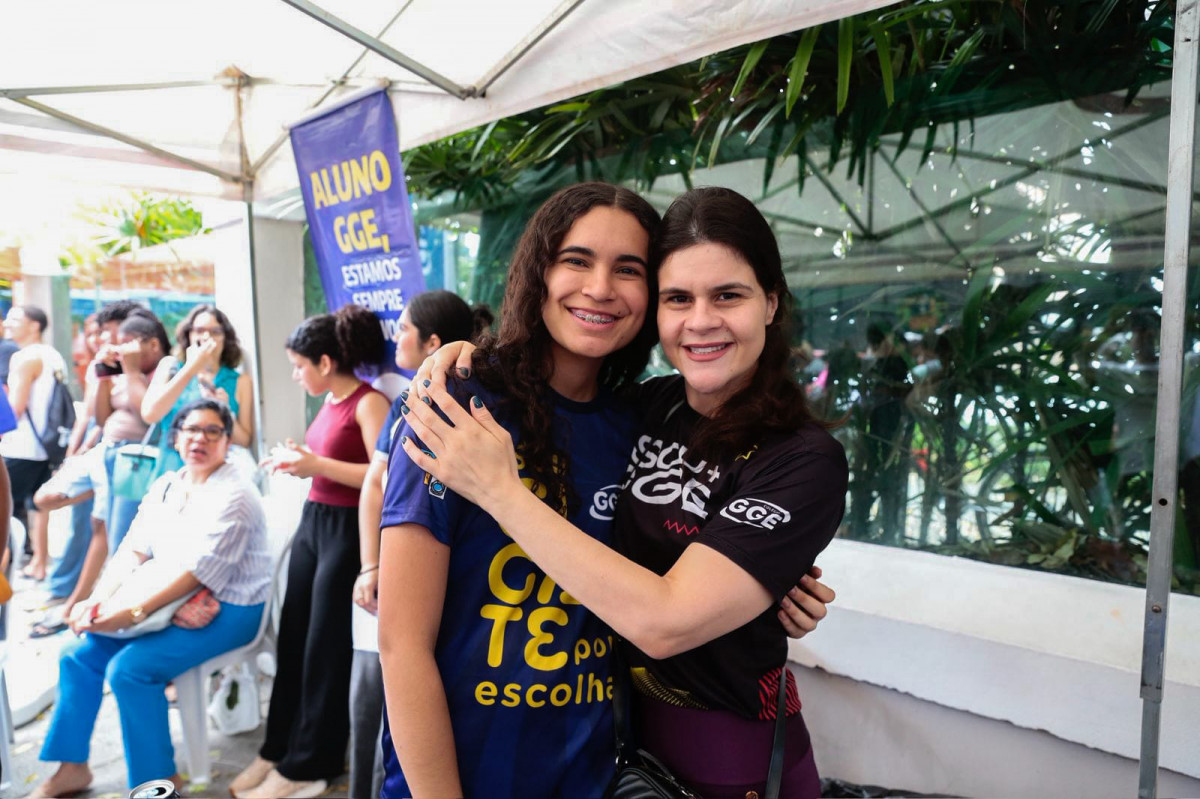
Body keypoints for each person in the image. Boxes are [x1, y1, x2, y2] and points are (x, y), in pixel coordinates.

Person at [399, 186, 847, 797]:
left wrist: (502, 491)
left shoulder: (803, 457)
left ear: (770, 302)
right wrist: (467, 356)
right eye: (678, 298)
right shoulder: (640, 409)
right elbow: (403, 642)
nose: (701, 320)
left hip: (732, 762)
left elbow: (665, 620)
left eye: (728, 295)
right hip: (614, 755)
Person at [28, 398, 270, 797]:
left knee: (130, 670)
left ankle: (158, 783)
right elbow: (133, 549)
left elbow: (196, 576)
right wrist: (97, 601)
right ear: (175, 438)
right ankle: (71, 768)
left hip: (229, 607)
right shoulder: (168, 484)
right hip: (168, 601)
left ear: (228, 442)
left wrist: (131, 614)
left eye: (213, 432)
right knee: (75, 653)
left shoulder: (236, 495)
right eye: (191, 430)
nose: (200, 439)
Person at [231, 304, 389, 799]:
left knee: (325, 650)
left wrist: (315, 463)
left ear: (325, 361)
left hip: (347, 530)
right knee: (295, 640)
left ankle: (311, 763)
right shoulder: (330, 401)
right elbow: (325, 461)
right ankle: (278, 748)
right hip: (314, 522)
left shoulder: (369, 402)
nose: (296, 376)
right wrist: (298, 459)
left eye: (300, 366)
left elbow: (382, 476)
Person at [349, 290, 487, 799]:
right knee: (377, 697)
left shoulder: (460, 401)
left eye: (403, 328)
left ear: (432, 341)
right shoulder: (408, 399)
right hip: (397, 576)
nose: (395, 338)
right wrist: (371, 565)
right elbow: (376, 483)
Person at [142, 304, 255, 476]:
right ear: (189, 335)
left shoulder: (240, 381)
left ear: (225, 338)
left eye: (215, 332)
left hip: (216, 475)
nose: (206, 337)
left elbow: (244, 441)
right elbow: (150, 414)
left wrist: (225, 410)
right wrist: (191, 368)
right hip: (171, 469)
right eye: (199, 331)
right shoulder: (170, 367)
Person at [2, 304, 68, 581]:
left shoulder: (24, 357)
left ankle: (8, 567)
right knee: (37, 506)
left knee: (7, 507)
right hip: (46, 445)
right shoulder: (53, 355)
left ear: (34, 325)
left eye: (16, 318)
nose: (8, 323)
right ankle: (39, 564)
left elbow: (14, 409)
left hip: (20, 446)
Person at [94, 311, 169, 552]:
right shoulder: (128, 373)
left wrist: (132, 371)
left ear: (154, 344)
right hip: (113, 456)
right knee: (110, 527)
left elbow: (147, 416)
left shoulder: (163, 372)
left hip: (138, 462)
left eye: (128, 344)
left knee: (123, 536)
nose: (123, 351)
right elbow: (101, 418)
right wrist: (104, 375)